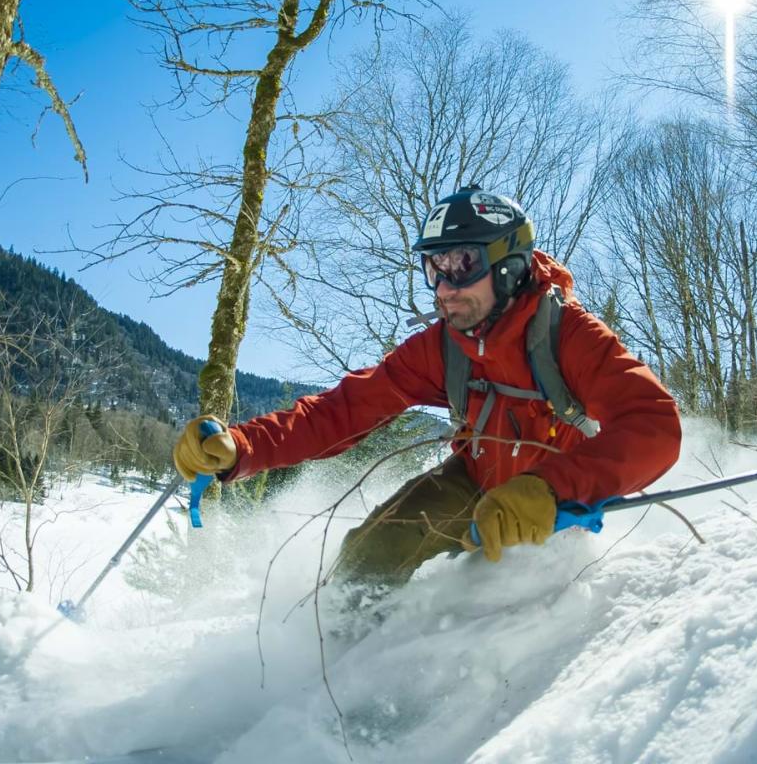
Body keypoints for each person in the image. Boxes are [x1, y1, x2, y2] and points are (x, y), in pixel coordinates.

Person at [174, 186, 681, 589]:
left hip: (554, 500)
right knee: (370, 550)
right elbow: (344, 410)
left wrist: (553, 487)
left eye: (461, 265)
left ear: (509, 266)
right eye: (433, 269)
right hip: (474, 479)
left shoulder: (568, 335)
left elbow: (654, 425)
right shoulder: (443, 347)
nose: (444, 288)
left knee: (506, 598)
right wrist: (243, 445)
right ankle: (334, 662)